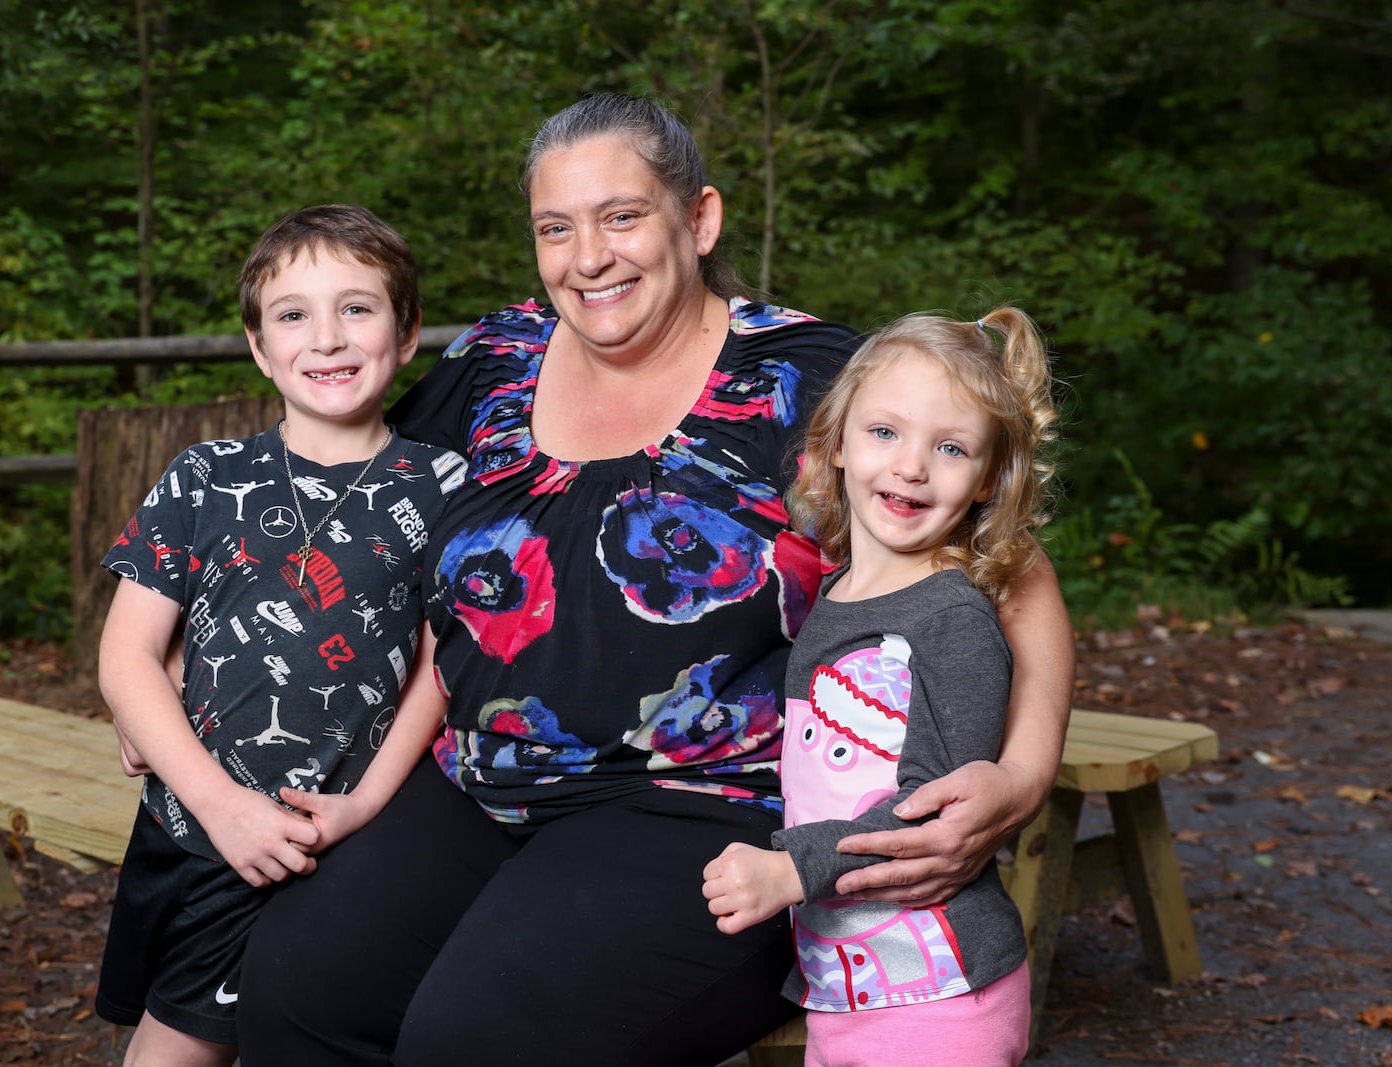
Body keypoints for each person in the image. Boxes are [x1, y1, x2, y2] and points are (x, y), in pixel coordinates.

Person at [237, 93, 1073, 1066]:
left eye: (621, 215)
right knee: (294, 987)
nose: (587, 256)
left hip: (708, 815)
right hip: (474, 782)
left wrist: (1019, 776)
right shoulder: (494, 361)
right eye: (557, 227)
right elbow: (349, 511)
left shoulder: (811, 378)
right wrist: (168, 649)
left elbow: (1014, 570)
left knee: (475, 1040)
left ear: (699, 219)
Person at [93, 204, 465, 1066]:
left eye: (358, 308)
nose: (327, 337)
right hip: (196, 823)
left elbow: (441, 663)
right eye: (293, 314)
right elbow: (126, 654)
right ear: (260, 347)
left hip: (334, 832)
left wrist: (365, 801)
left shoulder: (444, 485)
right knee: (170, 1040)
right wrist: (222, 807)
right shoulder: (207, 478)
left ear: (407, 333)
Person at [701, 308, 1058, 1065]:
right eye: (885, 432)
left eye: (951, 447)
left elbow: (929, 813)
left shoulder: (951, 616)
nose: (911, 466)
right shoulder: (835, 599)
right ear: (833, 443)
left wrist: (791, 866)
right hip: (848, 977)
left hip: (937, 992)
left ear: (990, 479)